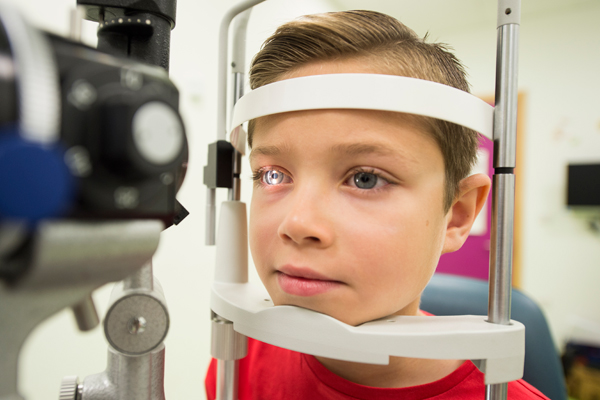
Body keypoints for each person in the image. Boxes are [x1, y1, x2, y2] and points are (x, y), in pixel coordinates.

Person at [206, 10, 547, 399]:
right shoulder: (239, 358)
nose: (298, 223)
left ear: (457, 214)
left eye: (364, 179)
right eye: (273, 175)